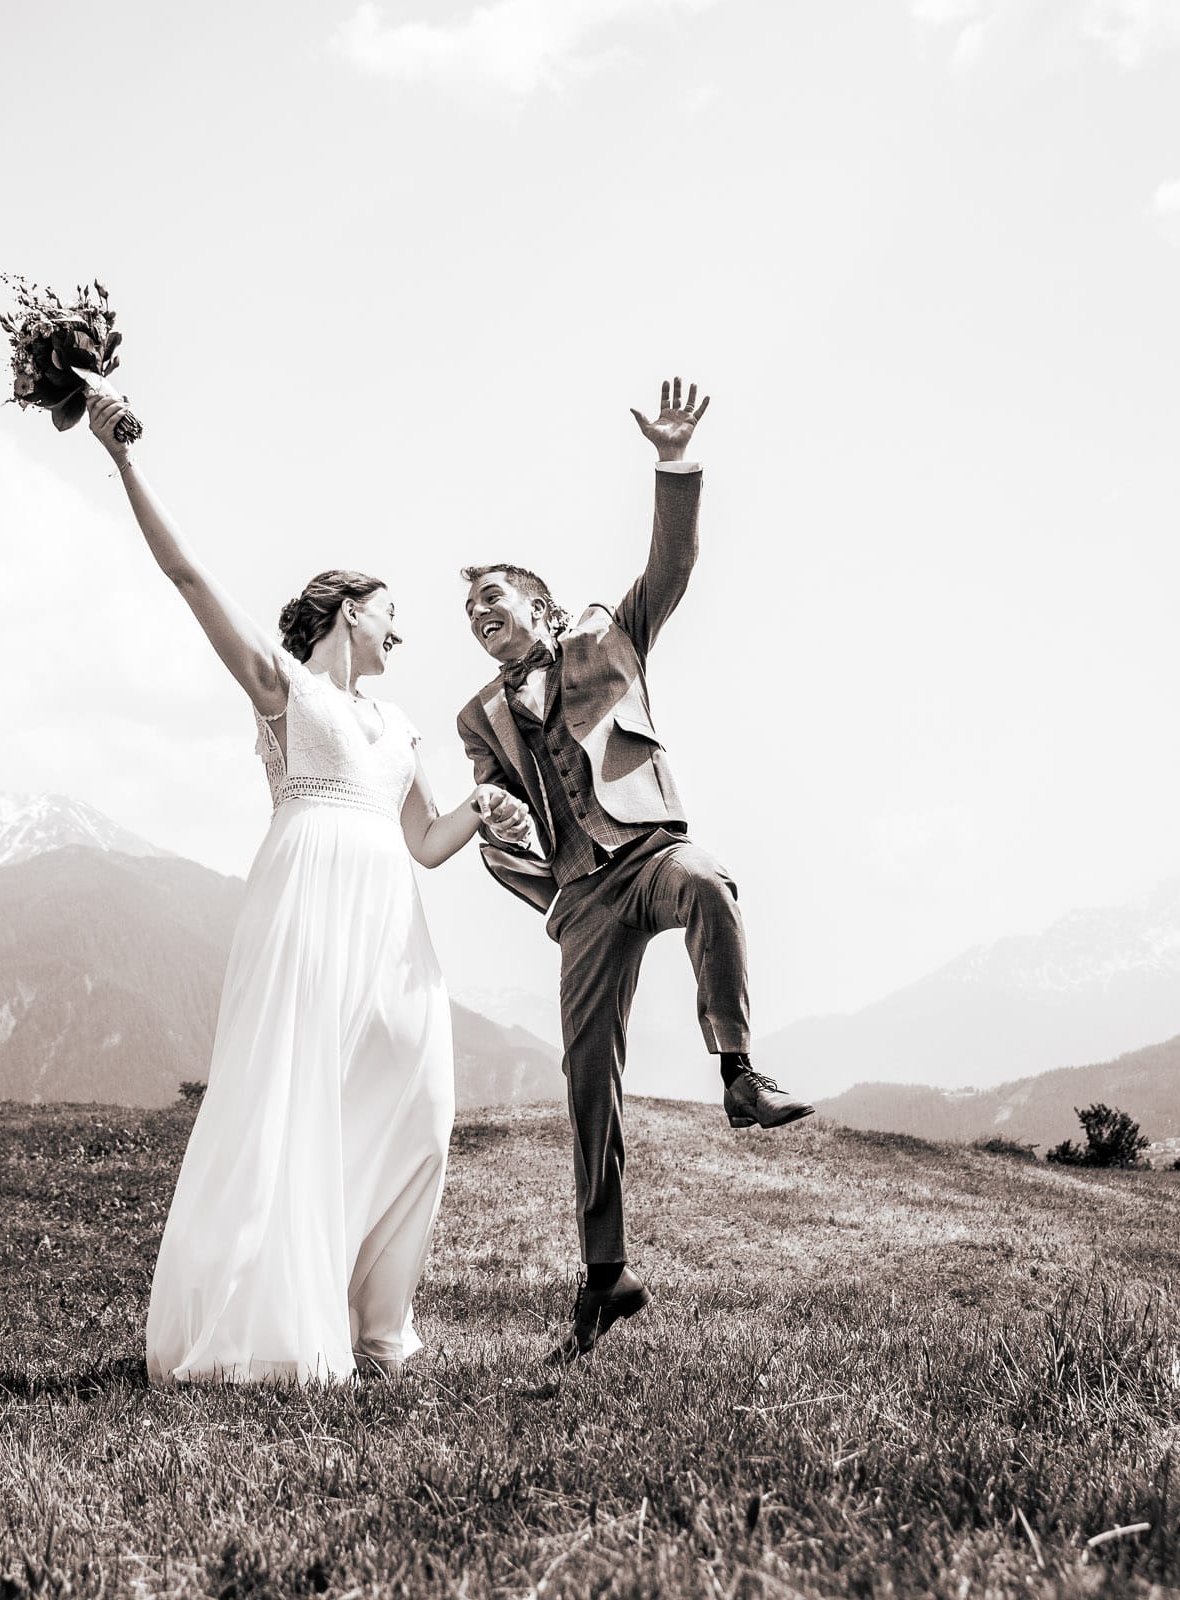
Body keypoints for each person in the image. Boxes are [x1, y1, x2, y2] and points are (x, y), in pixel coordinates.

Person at [77, 377, 537, 1385]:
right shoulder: (286, 692)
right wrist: (124, 457)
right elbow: (189, 576)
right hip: (305, 906)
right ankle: (284, 1319)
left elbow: (423, 839)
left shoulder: (401, 723)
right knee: (293, 1099)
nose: (401, 632)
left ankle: (381, 1320)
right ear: (343, 614)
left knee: (420, 1099)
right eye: (389, 614)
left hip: (390, 914)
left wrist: (484, 812)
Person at [456, 377, 813, 1367]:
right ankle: (604, 1275)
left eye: (494, 599)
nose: (481, 615)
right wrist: (505, 823)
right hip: (579, 894)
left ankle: (740, 1075)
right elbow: (498, 810)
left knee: (711, 881)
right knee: (587, 1078)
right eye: (470, 611)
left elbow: (674, 561)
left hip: (652, 849)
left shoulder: (610, 635)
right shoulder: (475, 716)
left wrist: (673, 462)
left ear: (538, 605)